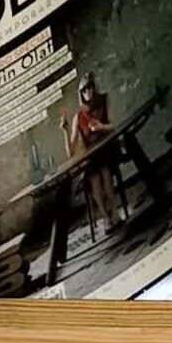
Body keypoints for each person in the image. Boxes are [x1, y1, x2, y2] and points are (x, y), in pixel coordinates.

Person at [70, 75, 125, 241]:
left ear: (95, 86)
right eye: (84, 89)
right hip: (92, 156)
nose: (89, 91)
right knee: (94, 180)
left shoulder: (104, 99)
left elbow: (114, 125)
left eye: (90, 87)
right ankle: (105, 218)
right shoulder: (78, 115)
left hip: (107, 147)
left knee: (106, 174)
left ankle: (115, 213)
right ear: (81, 93)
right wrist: (65, 131)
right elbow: (72, 146)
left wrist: (101, 126)